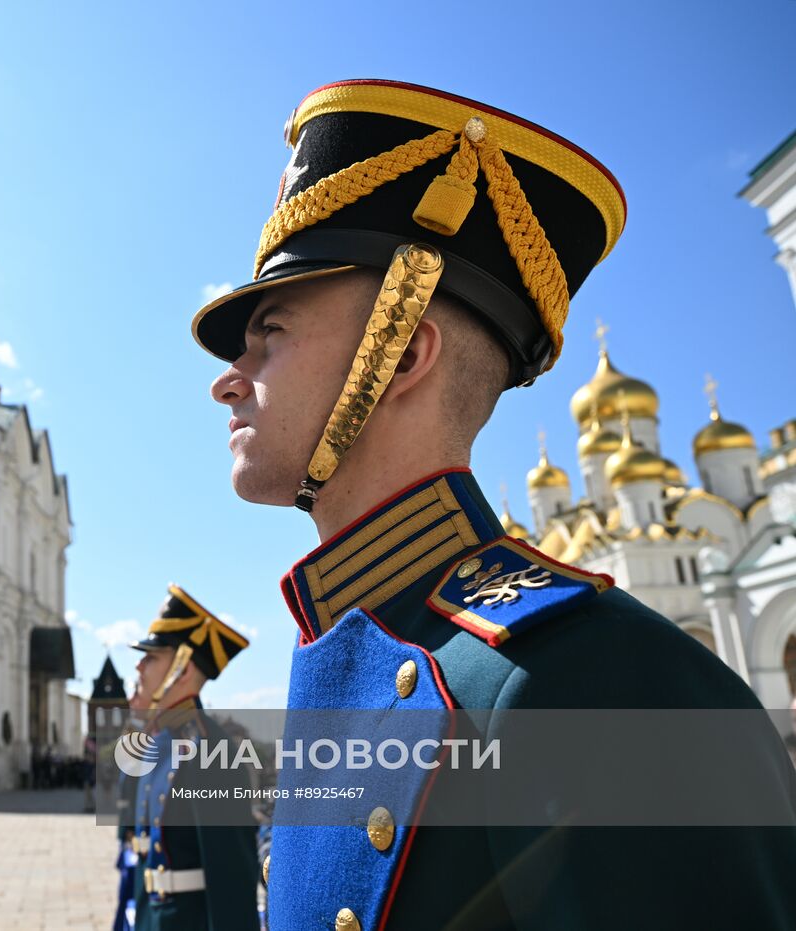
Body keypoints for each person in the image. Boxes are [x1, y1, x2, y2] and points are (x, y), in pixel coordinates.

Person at [193, 78, 796, 928]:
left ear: (403, 356)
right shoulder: (362, 642)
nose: (227, 380)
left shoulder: (593, 681)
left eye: (271, 334)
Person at [125, 585, 258, 931]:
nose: (139, 665)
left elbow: (231, 877)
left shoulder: (211, 752)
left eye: (152, 657)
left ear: (182, 671)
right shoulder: (159, 743)